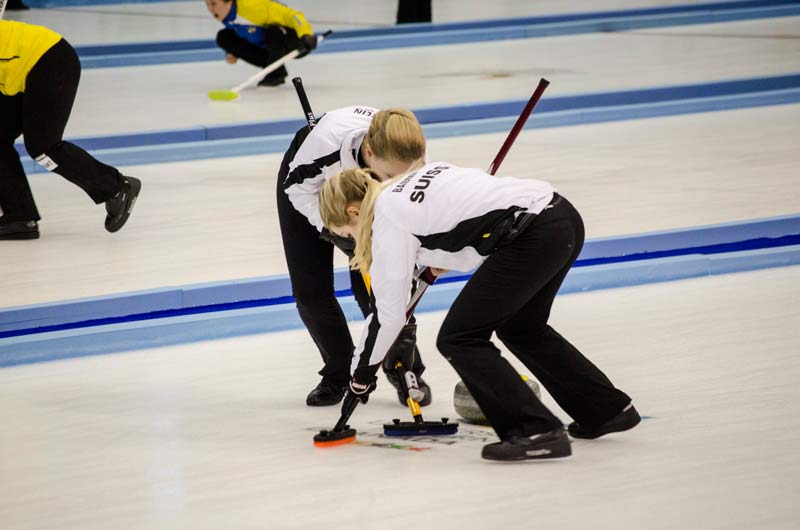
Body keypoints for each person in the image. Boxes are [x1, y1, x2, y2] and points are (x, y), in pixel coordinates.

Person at [319, 162, 640, 461]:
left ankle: (536, 429)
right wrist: (438, 260)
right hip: (560, 218)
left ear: (353, 210)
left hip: (531, 235)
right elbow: (459, 220)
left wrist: (360, 377)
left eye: (347, 232)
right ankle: (605, 409)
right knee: (522, 328)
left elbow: (387, 315)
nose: (352, 239)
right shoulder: (406, 181)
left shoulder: (387, 218)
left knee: (460, 337)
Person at [278, 106, 433, 407]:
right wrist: (333, 228)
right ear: (370, 152)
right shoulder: (323, 147)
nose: (393, 182)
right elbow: (296, 190)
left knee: (381, 286)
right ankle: (338, 372)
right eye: (388, 176)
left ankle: (403, 366)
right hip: (310, 190)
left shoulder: (411, 154)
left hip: (368, 201)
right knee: (311, 290)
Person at [0, 21, 141, 240]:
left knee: (43, 146)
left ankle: (116, 187)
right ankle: (19, 216)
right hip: (29, 67)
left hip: (50, 60)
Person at [205, 0, 317, 87]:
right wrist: (231, 51)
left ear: (228, 3)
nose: (210, 9)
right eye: (207, 4)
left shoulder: (252, 6)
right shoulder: (227, 15)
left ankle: (275, 73)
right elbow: (241, 31)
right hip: (268, 45)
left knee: (273, 31)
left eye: (214, 3)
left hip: (295, 40)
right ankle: (274, 68)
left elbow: (293, 15)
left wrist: (306, 34)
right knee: (224, 37)